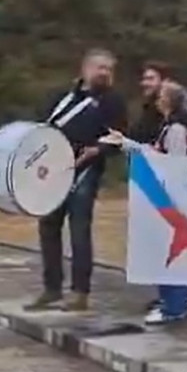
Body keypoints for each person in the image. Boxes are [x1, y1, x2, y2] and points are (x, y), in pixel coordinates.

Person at [27, 48, 127, 312]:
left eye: (109, 69)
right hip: (53, 171)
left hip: (86, 172)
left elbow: (118, 138)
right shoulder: (62, 97)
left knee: (79, 230)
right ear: (85, 69)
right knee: (48, 228)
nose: (104, 73)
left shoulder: (113, 102)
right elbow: (44, 127)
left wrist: (98, 150)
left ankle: (80, 292)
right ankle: (51, 288)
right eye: (99, 67)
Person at [119, 81, 187, 325]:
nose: (157, 99)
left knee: (170, 254)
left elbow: (174, 162)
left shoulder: (175, 129)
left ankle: (174, 306)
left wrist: (136, 148)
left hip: (170, 198)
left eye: (162, 95)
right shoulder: (168, 127)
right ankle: (172, 304)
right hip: (166, 196)